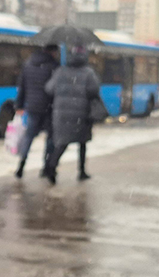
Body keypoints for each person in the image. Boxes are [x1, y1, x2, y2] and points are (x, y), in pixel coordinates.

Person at [41, 45, 101, 184]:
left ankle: (51, 167)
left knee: (61, 143)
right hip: (82, 114)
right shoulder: (88, 72)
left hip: (61, 114)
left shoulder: (60, 71)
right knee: (82, 142)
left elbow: (49, 89)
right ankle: (81, 171)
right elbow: (94, 90)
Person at [14, 44, 60, 178]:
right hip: (49, 108)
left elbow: (22, 86)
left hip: (32, 107)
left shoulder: (28, 64)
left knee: (29, 136)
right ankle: (46, 167)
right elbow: (55, 88)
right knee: (50, 139)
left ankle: (21, 166)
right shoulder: (54, 66)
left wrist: (19, 105)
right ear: (52, 52)